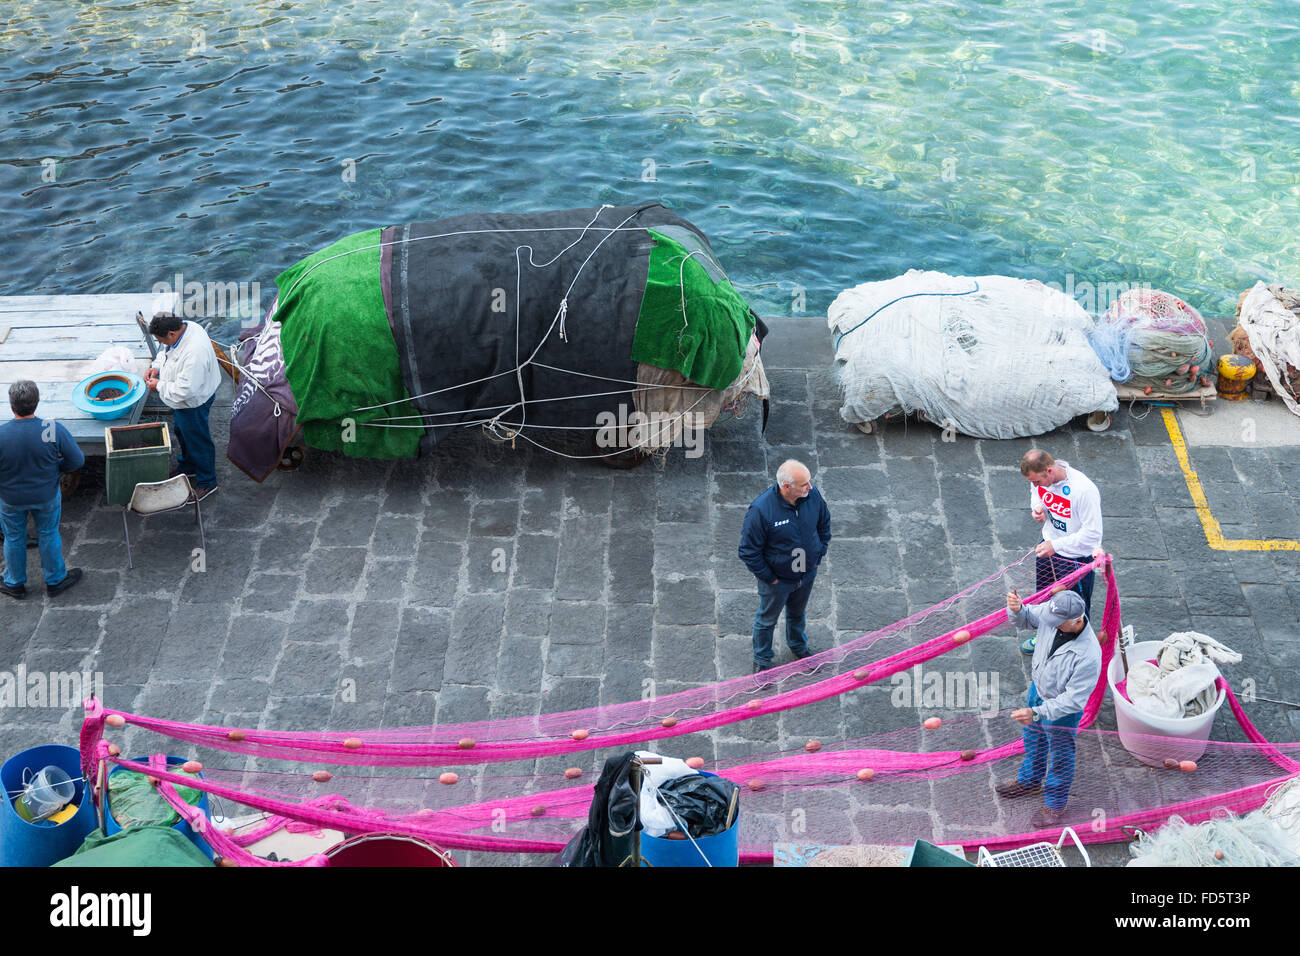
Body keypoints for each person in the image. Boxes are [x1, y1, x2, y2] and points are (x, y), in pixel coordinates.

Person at [996, 588, 1102, 828]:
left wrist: (1038, 712)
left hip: (1062, 709)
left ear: (1077, 620)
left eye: (1057, 623)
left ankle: (1055, 804)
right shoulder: (1052, 614)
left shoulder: (1089, 656)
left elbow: (1073, 700)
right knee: (1033, 737)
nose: (1050, 625)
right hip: (1038, 690)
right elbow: (1027, 618)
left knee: (1061, 755)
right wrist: (1017, 609)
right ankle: (1030, 781)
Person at [738, 459, 831, 674]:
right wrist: (771, 579)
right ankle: (762, 660)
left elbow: (824, 523)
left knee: (798, 613)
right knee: (766, 620)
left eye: (809, 482)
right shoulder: (761, 511)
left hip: (807, 573)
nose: (810, 487)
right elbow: (748, 551)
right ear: (786, 487)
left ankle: (798, 647)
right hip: (777, 581)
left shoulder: (812, 495)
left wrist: (818, 555)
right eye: (804, 484)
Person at [0, 381, 84, 599]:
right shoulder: (51, 429)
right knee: (48, 533)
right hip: (46, 494)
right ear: (37, 404)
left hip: (10, 497)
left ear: (11, 407)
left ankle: (14, 583)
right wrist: (57, 469)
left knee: (13, 537)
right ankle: (55, 579)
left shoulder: (2, 433)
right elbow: (76, 460)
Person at [1020, 449, 1102, 654]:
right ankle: (1045, 634)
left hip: (1075, 557)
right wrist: (1038, 508)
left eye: (1037, 481)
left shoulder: (1083, 491)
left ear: (1049, 470)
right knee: (1045, 596)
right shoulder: (1039, 481)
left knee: (1075, 607)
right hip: (1048, 545)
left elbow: (1092, 535)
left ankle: (1078, 649)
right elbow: (1036, 494)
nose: (1035, 485)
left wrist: (1056, 546)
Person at [146, 312, 221, 501]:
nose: (162, 344)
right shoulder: (185, 327)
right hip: (182, 403)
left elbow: (185, 391)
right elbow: (167, 354)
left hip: (193, 403)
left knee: (198, 440)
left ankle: (207, 482)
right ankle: (188, 466)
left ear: (171, 334)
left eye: (161, 340)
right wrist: (157, 367)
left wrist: (158, 385)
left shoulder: (194, 352)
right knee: (181, 431)